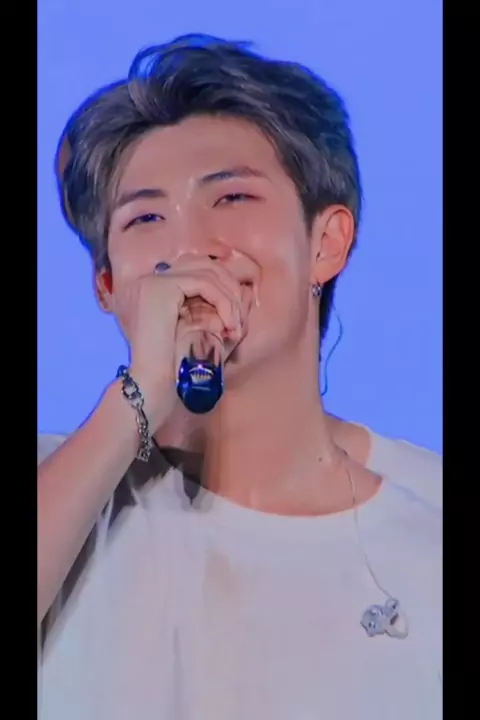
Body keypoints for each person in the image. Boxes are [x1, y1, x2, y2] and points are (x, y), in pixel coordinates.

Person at [37, 34, 442, 720]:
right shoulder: (61, 487)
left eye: (231, 199)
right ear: (108, 284)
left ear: (326, 243)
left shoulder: (429, 516)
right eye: (145, 217)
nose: (190, 245)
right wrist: (141, 391)